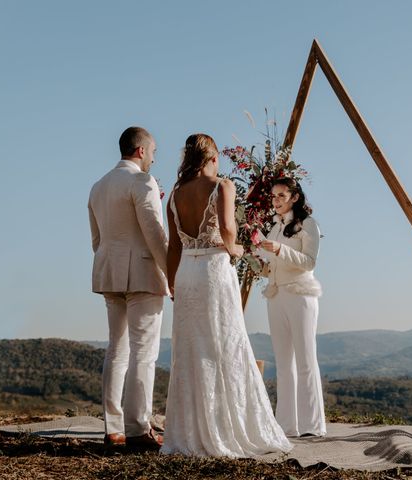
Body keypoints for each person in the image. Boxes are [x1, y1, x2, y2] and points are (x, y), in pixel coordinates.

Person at [161, 133, 292, 457]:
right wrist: (238, 248)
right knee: (223, 346)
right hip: (213, 271)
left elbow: (173, 245)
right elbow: (228, 232)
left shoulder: (174, 194)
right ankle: (226, 429)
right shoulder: (222, 186)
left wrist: (171, 282)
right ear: (213, 157)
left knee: (190, 351)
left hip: (186, 275)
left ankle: (191, 432)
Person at [88, 126, 167, 448]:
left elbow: (97, 240)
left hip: (108, 271)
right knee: (143, 353)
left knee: (116, 349)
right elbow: (154, 232)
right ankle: (138, 429)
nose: (153, 159)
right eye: (153, 152)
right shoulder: (141, 181)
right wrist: (170, 272)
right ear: (140, 151)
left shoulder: (97, 186)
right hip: (143, 273)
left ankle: (113, 428)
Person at [258, 177, 326, 438]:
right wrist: (261, 263)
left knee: (306, 360)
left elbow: (309, 262)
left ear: (295, 197)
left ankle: (312, 426)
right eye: (273, 196)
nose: (276, 201)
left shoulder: (309, 224)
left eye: (281, 196)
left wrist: (278, 251)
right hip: (276, 295)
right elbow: (272, 264)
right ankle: (287, 426)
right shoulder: (274, 226)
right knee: (284, 363)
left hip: (300, 295)